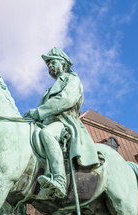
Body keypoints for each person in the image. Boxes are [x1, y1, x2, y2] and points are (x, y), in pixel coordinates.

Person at [24, 47, 99, 198]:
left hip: (64, 121)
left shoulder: (72, 79)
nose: (50, 66)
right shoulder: (49, 89)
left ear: (63, 63)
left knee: (47, 134)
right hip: (47, 121)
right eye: (48, 64)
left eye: (52, 62)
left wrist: (38, 112)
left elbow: (65, 100)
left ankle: (59, 179)